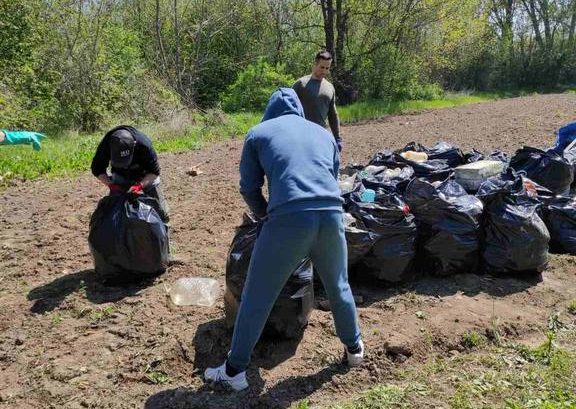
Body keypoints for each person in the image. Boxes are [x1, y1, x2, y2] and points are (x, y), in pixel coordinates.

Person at [204, 88, 363, 391]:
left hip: (289, 220)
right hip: (331, 216)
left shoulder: (258, 134)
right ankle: (354, 349)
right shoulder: (324, 134)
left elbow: (249, 188)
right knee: (338, 285)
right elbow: (330, 178)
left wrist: (265, 215)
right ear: (299, 111)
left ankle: (234, 371)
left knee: (257, 295)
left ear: (269, 111)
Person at [90, 125, 169, 223]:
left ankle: (163, 225)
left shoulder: (144, 144)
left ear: (134, 145)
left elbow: (154, 172)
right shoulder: (106, 145)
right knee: (114, 209)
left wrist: (140, 186)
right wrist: (111, 185)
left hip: (145, 174)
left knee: (160, 210)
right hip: (120, 174)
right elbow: (97, 169)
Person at [293, 49, 342, 151]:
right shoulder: (300, 84)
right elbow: (288, 109)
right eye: (322, 67)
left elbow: (332, 114)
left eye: (327, 68)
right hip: (300, 136)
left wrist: (337, 138)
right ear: (315, 65)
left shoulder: (329, 87)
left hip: (320, 135)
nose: (324, 71)